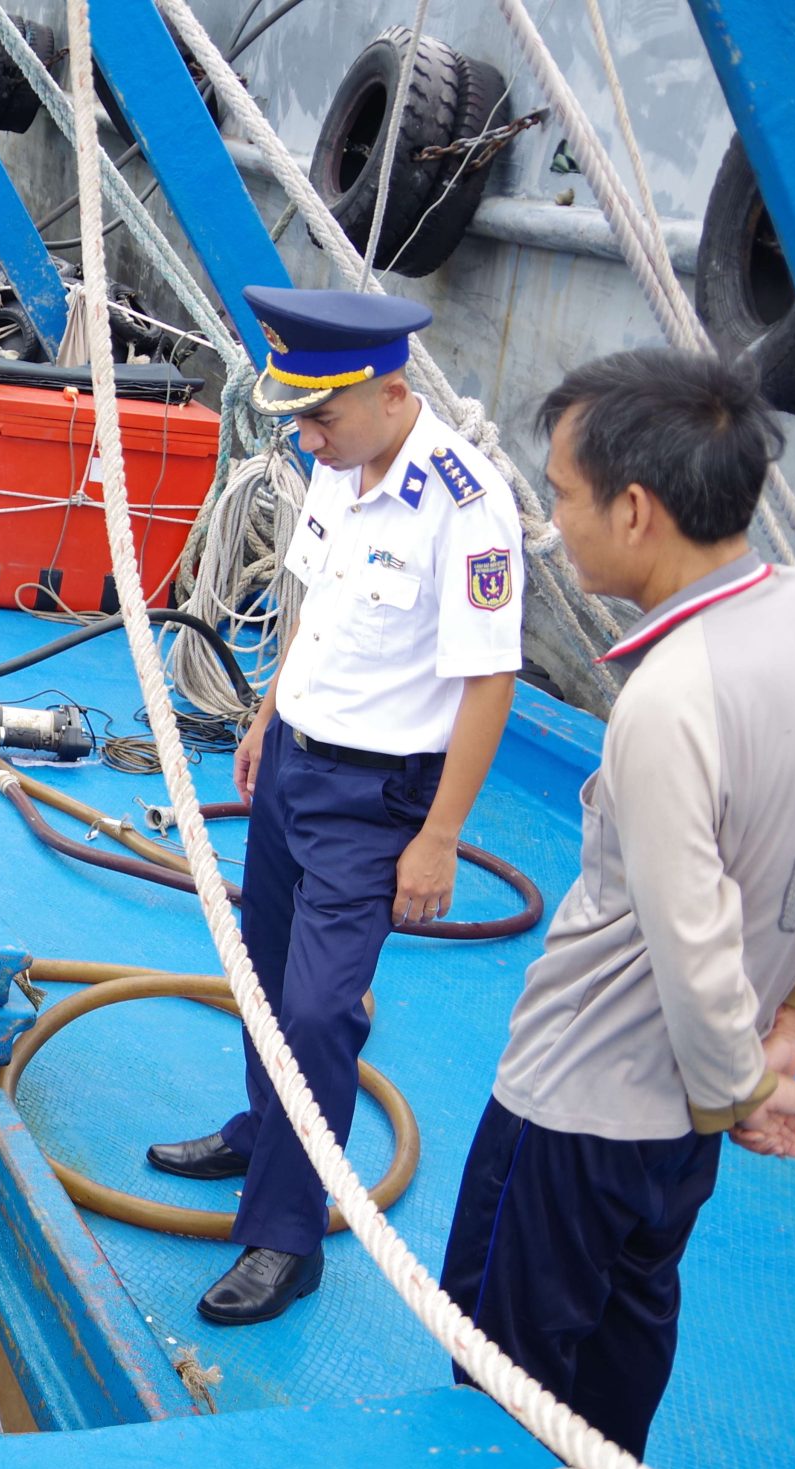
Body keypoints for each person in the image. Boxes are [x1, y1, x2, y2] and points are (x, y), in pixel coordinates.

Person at [439, 347, 795, 1460]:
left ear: (637, 510)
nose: (554, 524)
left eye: (564, 495)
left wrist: (744, 1088)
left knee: (497, 1362)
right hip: (681, 1126)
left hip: (578, 1102)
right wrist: (789, 1023)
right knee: (628, 1329)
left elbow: (687, 935)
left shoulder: (671, 697)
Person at [147, 286, 523, 1326]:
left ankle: (286, 1234)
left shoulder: (467, 505)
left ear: (391, 391)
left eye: (322, 416)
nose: (306, 438)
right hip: (292, 761)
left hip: (374, 796)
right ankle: (263, 1128)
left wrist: (438, 837)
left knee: (318, 1009)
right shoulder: (337, 460)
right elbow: (313, 605)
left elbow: (489, 679)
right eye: (301, 418)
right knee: (265, 973)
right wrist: (267, 715)